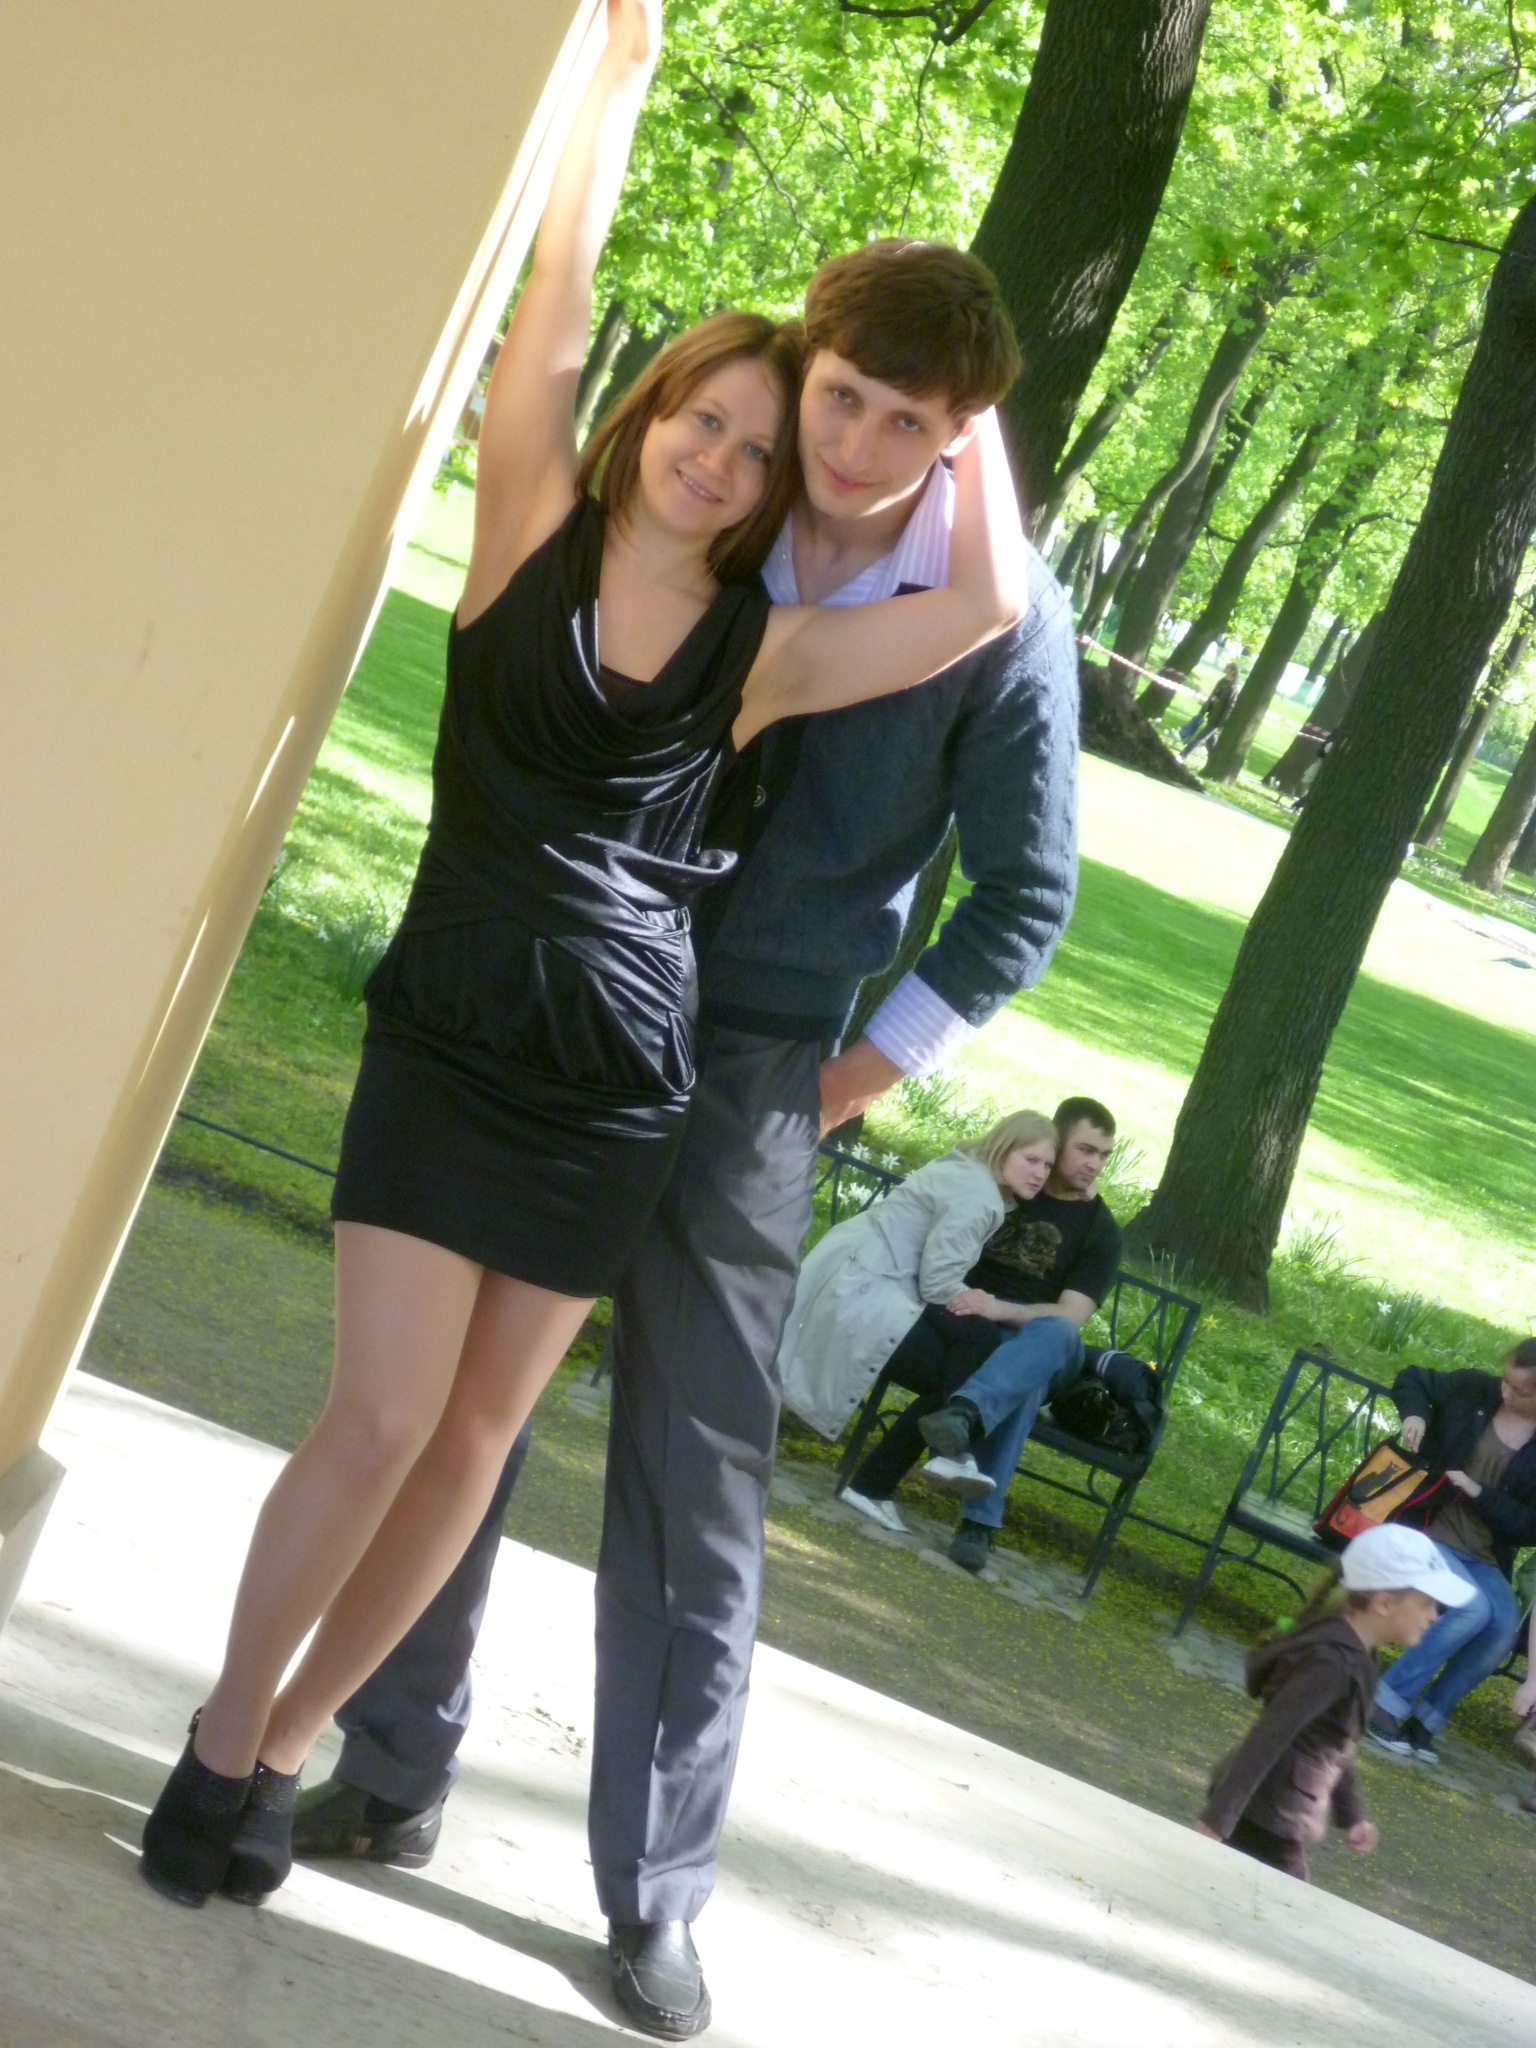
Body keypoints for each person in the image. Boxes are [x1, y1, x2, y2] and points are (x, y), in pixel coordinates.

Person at [137, 0, 1032, 1958]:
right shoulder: (527, 520)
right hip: (452, 1029)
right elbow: (546, 322)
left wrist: (967, 429)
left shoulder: (762, 652)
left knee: (472, 1447)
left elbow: (983, 603)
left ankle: (283, 1748)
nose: (724, 456)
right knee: (379, 1415)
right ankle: (218, 1728)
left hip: (620, 1079)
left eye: (758, 444)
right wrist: (608, 90)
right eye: (707, 417)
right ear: (657, 409)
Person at [284, 243, 1076, 2046]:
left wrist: (844, 1081)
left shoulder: (1001, 617)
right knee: (458, 1421)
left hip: (754, 1073)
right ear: (807, 368)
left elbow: (1023, 899)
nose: (855, 446)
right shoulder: (724, 494)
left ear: (960, 439)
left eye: (908, 423)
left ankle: (655, 1895)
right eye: (840, 398)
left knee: (695, 1478)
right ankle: (390, 1764)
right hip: (564, 1024)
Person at [839, 1097, 1120, 1573]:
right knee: (1014, 1380)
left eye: (1104, 1155)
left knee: (1041, 1343)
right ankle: (975, 1520)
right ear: (1055, 1141)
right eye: (1085, 1150)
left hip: (1043, 1341)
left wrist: (997, 1308)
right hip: (967, 1325)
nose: (1094, 1165)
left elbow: (1071, 1316)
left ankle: (965, 1421)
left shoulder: (1100, 1231)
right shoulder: (1013, 1183)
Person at [778, 1110, 1059, 1519]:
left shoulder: (970, 1172)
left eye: (1047, 1165)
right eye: (1031, 1160)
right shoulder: (979, 1196)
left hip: (870, 1278)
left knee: (971, 1352)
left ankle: (919, 1467)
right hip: (867, 1290)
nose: (1039, 1174)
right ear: (1003, 1149)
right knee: (965, 1366)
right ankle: (895, 1477)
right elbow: (938, 1283)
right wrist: (985, 1303)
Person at [1196, 1523, 1473, 1881]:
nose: (1434, 1615)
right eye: (1426, 1603)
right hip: (1267, 1814)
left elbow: (1335, 1742)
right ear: (1384, 1603)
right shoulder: (1333, 1661)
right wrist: (1216, 1822)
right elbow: (1270, 1735)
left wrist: (1351, 1813)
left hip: (1277, 1813)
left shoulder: (1359, 1653)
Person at [1365, 1343, 1536, 1764]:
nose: (1505, 1393)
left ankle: (1426, 1721)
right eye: (1506, 1381)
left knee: (1502, 1626)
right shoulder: (1475, 1390)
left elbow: (1530, 1526)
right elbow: (1412, 1378)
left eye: (1520, 1391)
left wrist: (1479, 1493)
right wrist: (1415, 1414)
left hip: (1483, 1556)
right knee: (1470, 1608)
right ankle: (1382, 1704)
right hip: (1426, 1531)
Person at [1177, 659, 1239, 758]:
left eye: (1228, 667)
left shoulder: (1233, 686)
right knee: (1211, 741)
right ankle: (1215, 760)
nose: (1225, 668)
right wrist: (1204, 710)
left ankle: (1183, 755)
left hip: (1218, 718)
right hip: (1211, 713)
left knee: (1200, 737)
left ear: (1233, 671)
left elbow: (1230, 705)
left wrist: (1223, 721)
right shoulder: (1222, 681)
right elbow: (1213, 695)